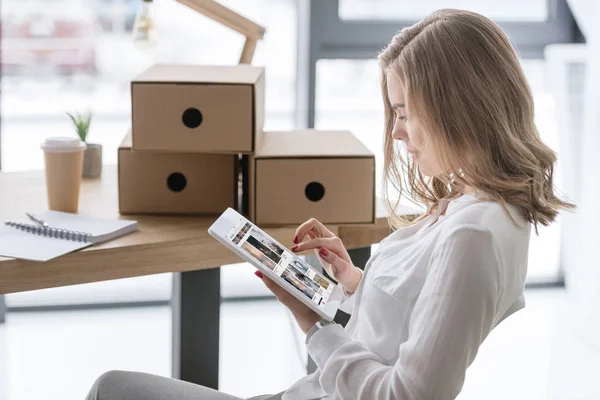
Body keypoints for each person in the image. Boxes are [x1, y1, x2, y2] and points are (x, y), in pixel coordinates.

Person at [85, 8, 575, 400]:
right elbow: (412, 317)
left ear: (456, 106)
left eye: (404, 112)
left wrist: (314, 325)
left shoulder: (475, 233)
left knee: (112, 389)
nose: (397, 130)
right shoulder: (472, 202)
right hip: (308, 391)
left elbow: (409, 395)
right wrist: (351, 281)